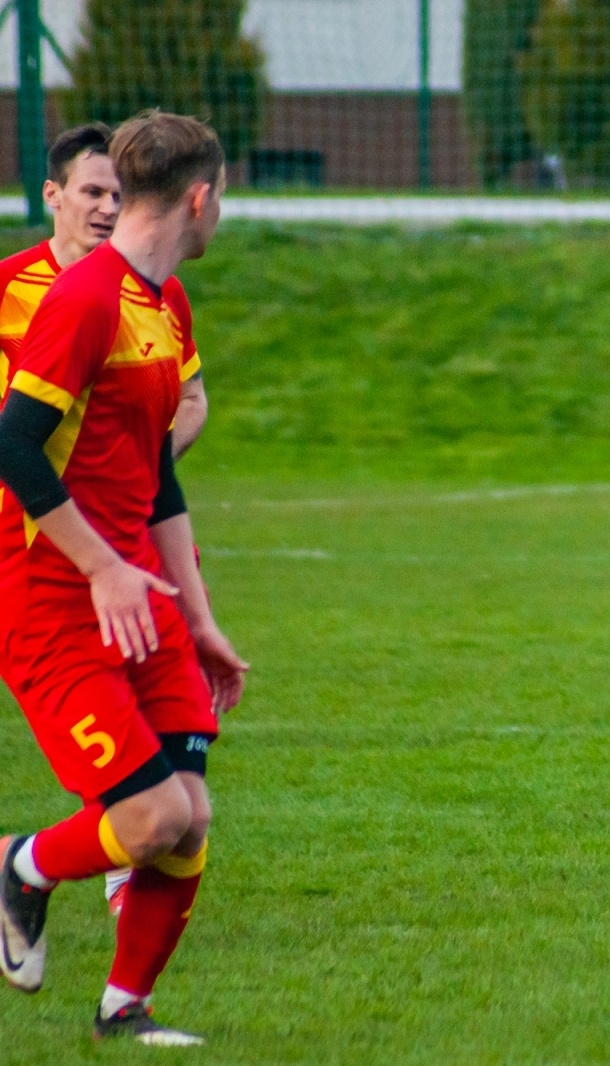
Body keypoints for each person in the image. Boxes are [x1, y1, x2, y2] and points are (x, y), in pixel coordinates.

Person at [0, 111, 246, 1046]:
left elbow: (159, 474)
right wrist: (101, 566)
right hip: (52, 591)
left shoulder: (164, 301)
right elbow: (13, 444)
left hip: (141, 589)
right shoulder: (86, 299)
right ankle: (19, 867)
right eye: (224, 196)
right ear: (200, 197)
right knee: (149, 818)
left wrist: (203, 613)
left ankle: (124, 1010)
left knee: (191, 820)